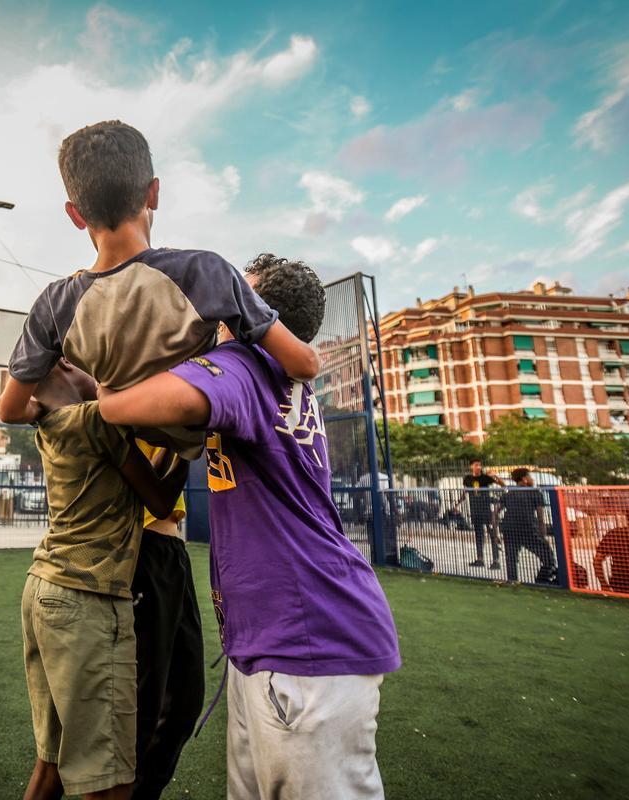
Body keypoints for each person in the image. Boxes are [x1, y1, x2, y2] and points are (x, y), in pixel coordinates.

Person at [100, 254, 400, 800]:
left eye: (232, 300)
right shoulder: (279, 374)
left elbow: (138, 406)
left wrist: (103, 387)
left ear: (252, 314)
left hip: (303, 645)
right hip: (279, 640)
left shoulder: (244, 364)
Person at [0, 120, 320, 457]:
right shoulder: (203, 271)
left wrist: (43, 411)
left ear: (76, 215)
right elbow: (303, 365)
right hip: (209, 436)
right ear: (153, 193)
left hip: (128, 451)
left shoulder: (54, 304)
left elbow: (9, 410)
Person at [22, 359, 189, 800]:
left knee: (52, 765)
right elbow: (158, 493)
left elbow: (10, 404)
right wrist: (191, 444)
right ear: (64, 371)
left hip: (46, 585)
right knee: (111, 780)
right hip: (87, 595)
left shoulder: (51, 425)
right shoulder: (98, 420)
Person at [130, 442, 203, 800]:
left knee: (185, 701)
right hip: (139, 549)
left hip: (173, 551)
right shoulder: (111, 395)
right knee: (144, 707)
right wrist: (184, 437)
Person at [497, 468, 558, 584]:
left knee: (511, 559)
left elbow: (496, 512)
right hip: (528, 529)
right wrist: (543, 535)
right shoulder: (535, 493)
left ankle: (512, 581)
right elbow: (541, 518)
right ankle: (542, 580)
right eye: (530, 476)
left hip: (509, 529)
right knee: (548, 556)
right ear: (524, 479)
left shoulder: (510, 492)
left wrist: (495, 532)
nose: (532, 479)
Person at [449, 458, 504, 569]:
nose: (478, 467)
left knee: (492, 534)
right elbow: (465, 492)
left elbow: (502, 485)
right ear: (471, 466)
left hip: (486, 509)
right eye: (476, 465)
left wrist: (495, 476)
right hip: (475, 509)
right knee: (479, 534)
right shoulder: (468, 479)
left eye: (480, 465)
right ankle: (480, 559)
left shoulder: (485, 478)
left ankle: (496, 560)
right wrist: (456, 504)